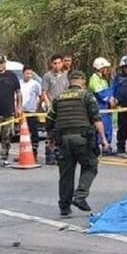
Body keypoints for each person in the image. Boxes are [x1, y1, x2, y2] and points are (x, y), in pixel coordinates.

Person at [45, 71, 106, 217]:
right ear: (83, 81)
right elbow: (96, 118)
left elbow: (49, 119)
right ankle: (80, 196)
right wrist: (104, 139)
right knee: (91, 166)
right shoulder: (86, 96)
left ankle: (64, 207)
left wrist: (50, 139)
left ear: (70, 82)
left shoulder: (59, 97)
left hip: (63, 141)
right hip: (82, 139)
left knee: (66, 174)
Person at [40, 54, 70, 165]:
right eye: (54, 63)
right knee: (50, 132)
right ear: (51, 64)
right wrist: (48, 105)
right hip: (51, 109)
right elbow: (44, 92)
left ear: (62, 64)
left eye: (59, 63)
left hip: (62, 108)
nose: (57, 65)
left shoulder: (64, 76)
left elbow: (67, 91)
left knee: (61, 133)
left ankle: (59, 154)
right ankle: (49, 155)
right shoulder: (47, 76)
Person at [88, 58, 114, 153]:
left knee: (107, 126)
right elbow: (100, 93)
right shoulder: (94, 79)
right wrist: (109, 99)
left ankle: (106, 145)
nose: (107, 70)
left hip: (106, 108)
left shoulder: (104, 79)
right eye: (105, 68)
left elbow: (109, 91)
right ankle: (99, 146)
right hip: (99, 107)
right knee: (99, 127)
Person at [19, 66, 42, 161]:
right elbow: (16, 96)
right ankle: (22, 153)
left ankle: (34, 153)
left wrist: (38, 107)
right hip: (22, 112)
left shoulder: (35, 84)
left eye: (30, 74)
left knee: (34, 133)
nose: (29, 76)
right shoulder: (19, 83)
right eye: (27, 73)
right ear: (23, 73)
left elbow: (40, 96)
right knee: (23, 135)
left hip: (32, 112)